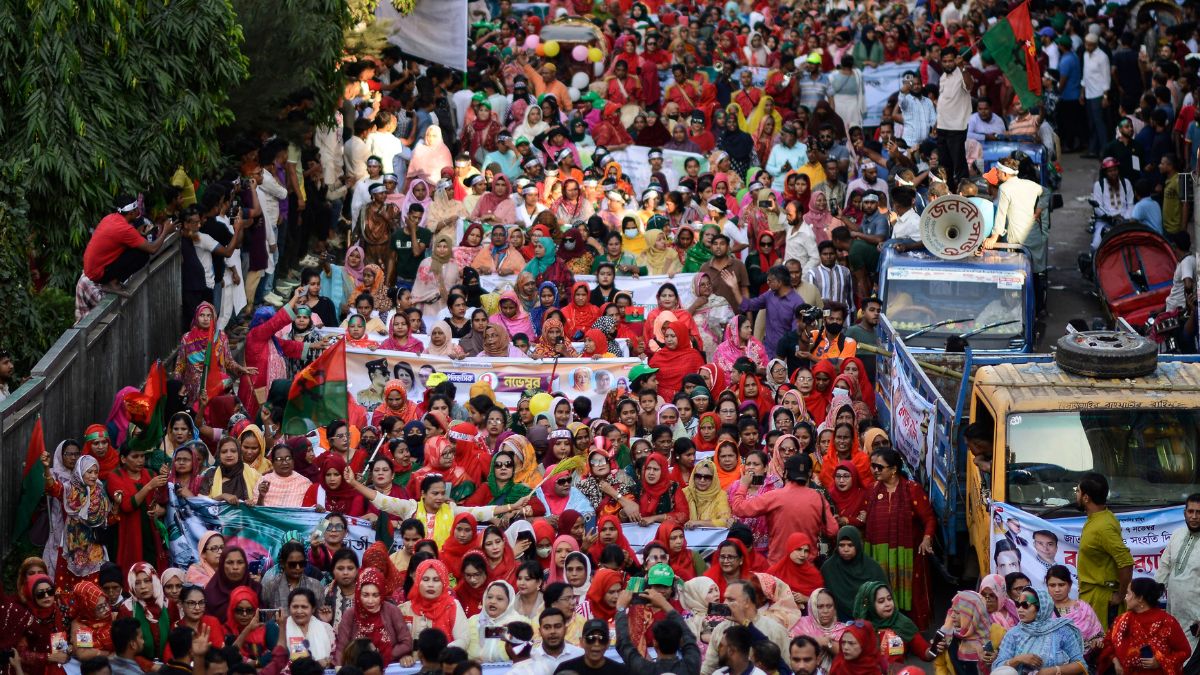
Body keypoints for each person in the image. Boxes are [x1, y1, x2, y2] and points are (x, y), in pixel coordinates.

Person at [863, 448, 936, 628]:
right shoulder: (871, 490)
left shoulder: (912, 490)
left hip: (907, 554)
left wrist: (927, 539)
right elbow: (863, 517)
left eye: (879, 467)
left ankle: (909, 632)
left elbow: (929, 518)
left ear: (894, 469)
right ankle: (884, 631)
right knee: (880, 591)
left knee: (911, 591)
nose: (875, 470)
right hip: (879, 555)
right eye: (873, 466)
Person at [729, 454, 839, 565]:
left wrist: (743, 485)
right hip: (806, 565)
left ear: (785, 473)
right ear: (810, 473)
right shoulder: (818, 498)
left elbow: (739, 508)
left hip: (778, 566)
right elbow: (832, 530)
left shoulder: (774, 496)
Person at [83, 196, 178, 293]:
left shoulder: (110, 218)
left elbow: (120, 238)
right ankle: (112, 283)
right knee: (142, 255)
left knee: (137, 248)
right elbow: (152, 249)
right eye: (136, 209)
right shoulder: (125, 229)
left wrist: (138, 233)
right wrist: (166, 231)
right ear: (131, 213)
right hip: (98, 273)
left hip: (92, 269)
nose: (138, 211)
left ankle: (112, 281)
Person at [1075, 472, 1133, 631]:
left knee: (1101, 650)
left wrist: (1121, 595)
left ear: (1086, 498)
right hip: (1091, 596)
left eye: (1078, 491)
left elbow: (1126, 562)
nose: (1076, 494)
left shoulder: (1103, 526)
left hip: (1101, 600)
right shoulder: (1099, 517)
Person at [1102, 578, 1191, 675]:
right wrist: (1116, 662)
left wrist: (1160, 661)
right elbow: (1107, 642)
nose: (1125, 598)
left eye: (1128, 594)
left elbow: (1185, 651)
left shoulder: (1167, 622)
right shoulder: (1122, 620)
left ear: (1140, 598)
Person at [701, 580, 789, 675]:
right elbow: (709, 668)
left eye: (731, 600)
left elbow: (786, 668)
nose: (725, 603)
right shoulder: (720, 629)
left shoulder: (775, 630)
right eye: (725, 599)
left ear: (747, 602)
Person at [993, 588, 1086, 675]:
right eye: (1018, 605)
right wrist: (1018, 659)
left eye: (1025, 605)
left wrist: (1053, 671)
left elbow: (1080, 665)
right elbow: (997, 667)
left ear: (1041, 607)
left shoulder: (1061, 630)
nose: (1020, 609)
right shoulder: (1013, 634)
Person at [553, 618, 629, 675]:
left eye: (602, 639)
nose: (596, 644)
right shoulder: (565, 669)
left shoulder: (621, 671)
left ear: (608, 643)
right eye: (590, 639)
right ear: (581, 641)